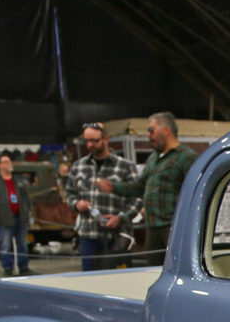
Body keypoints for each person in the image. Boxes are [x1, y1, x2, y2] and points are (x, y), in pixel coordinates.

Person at [98, 111, 194, 264]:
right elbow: (138, 187)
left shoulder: (185, 156)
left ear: (166, 130)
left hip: (173, 227)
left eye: (151, 130)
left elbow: (193, 192)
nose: (148, 135)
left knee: (177, 266)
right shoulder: (153, 158)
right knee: (152, 270)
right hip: (152, 226)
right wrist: (113, 187)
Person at [69, 122, 141, 271]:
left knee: (117, 281)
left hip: (117, 236)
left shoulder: (125, 166)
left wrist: (120, 217)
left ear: (106, 139)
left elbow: (138, 197)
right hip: (88, 234)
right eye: (87, 141)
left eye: (95, 141)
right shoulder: (78, 166)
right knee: (89, 281)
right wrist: (77, 204)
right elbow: (70, 193)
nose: (90, 145)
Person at [0, 153, 34, 276]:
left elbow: (27, 198)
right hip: (3, 218)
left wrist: (28, 211)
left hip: (21, 218)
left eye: (9, 161)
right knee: (5, 245)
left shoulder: (18, 180)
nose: (9, 164)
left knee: (22, 244)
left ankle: (23, 267)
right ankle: (8, 268)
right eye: (6, 162)